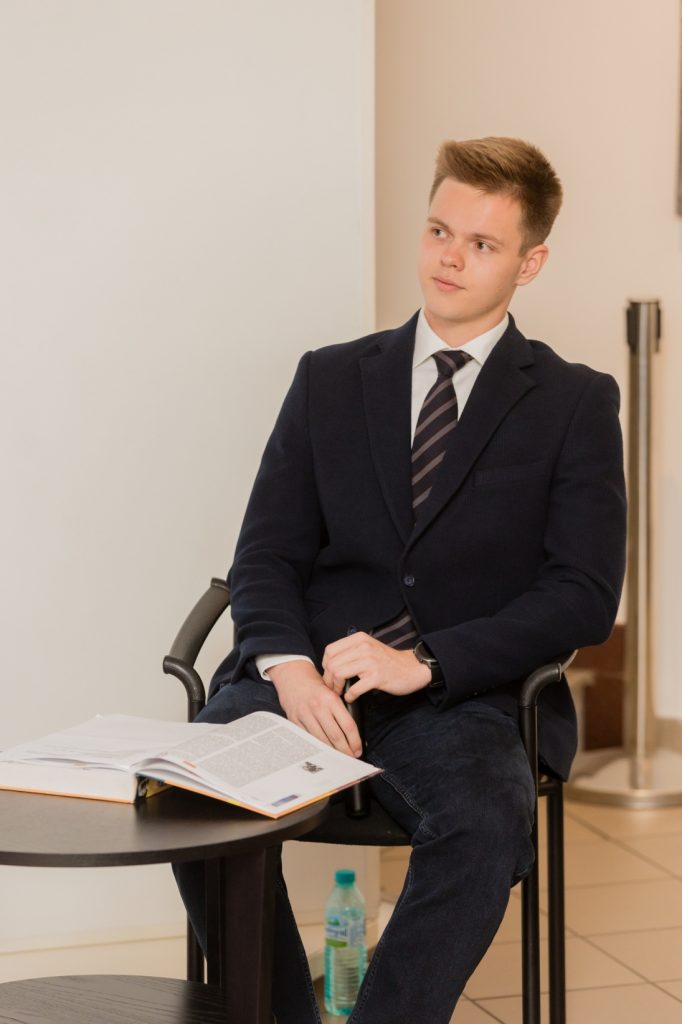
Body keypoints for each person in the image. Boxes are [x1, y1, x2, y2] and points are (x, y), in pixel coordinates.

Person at [174, 136, 626, 1023]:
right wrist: (287, 669)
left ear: (530, 263)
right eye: (439, 231)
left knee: (485, 823)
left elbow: (582, 594)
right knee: (193, 794)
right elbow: (264, 554)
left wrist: (428, 662)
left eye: (482, 244)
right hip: (304, 685)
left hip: (461, 702)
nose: (450, 258)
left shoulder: (575, 402)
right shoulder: (329, 378)